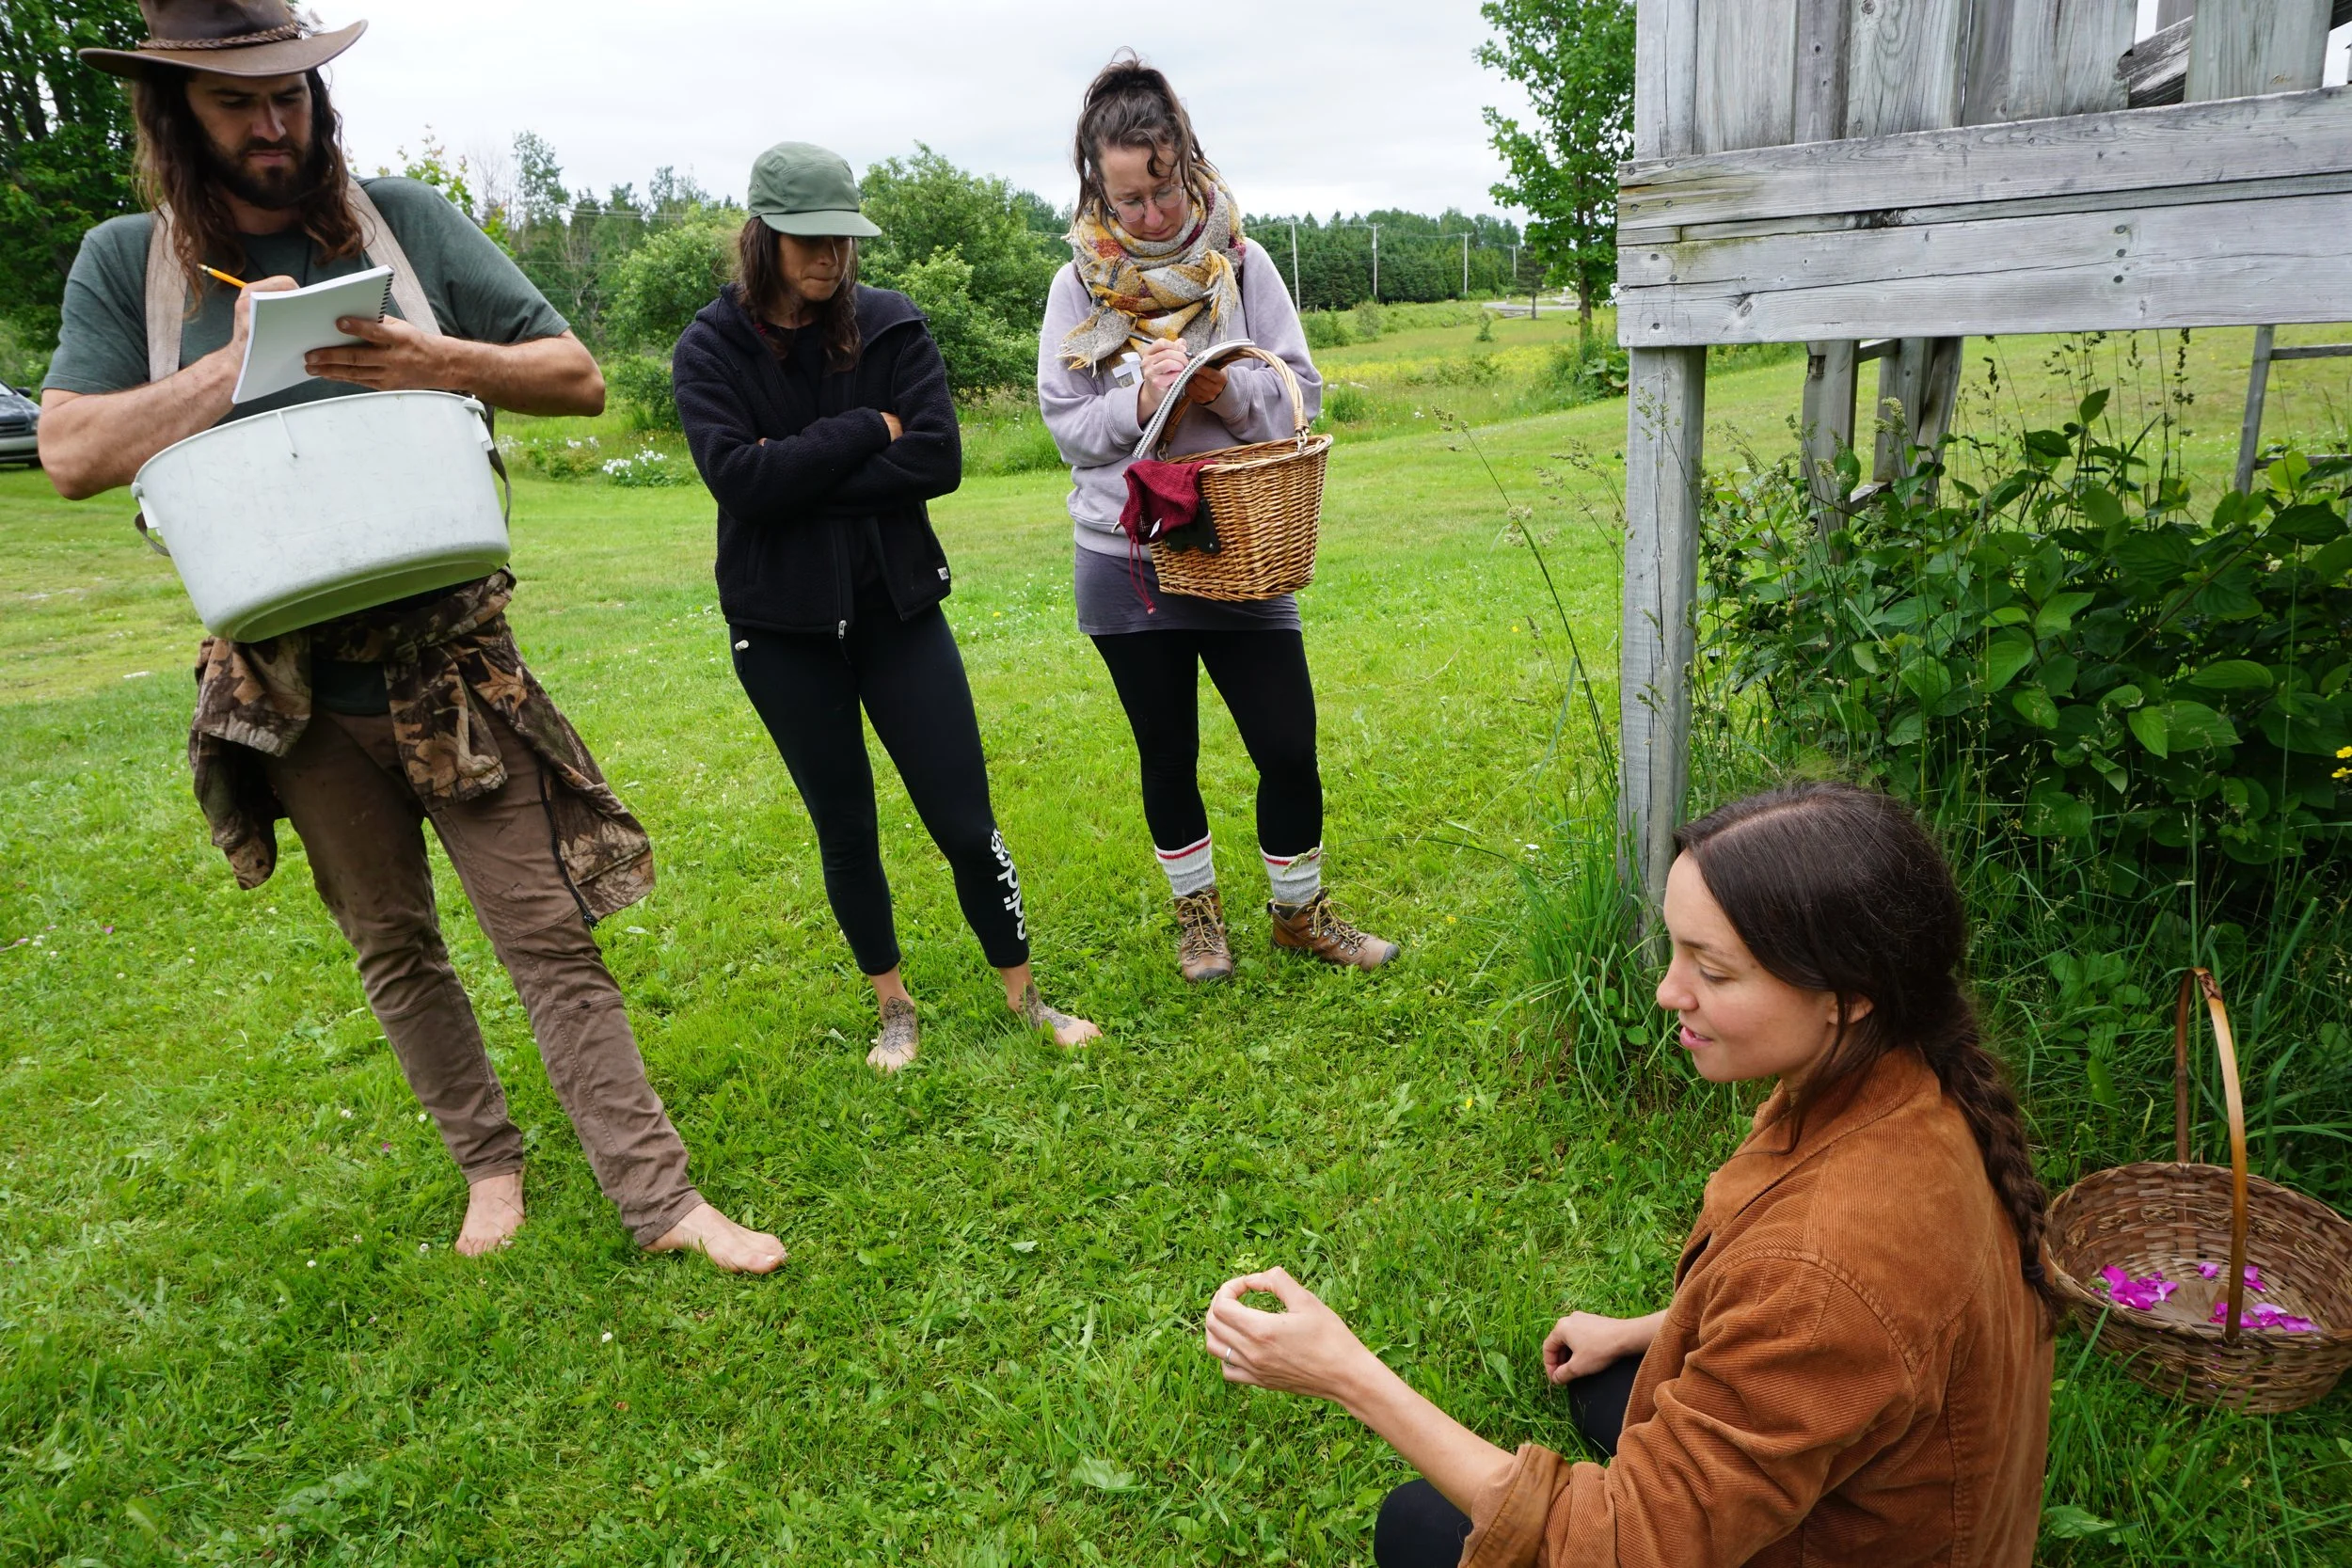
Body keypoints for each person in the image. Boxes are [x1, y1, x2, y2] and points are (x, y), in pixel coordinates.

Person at [39, 0, 784, 1274]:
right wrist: (234, 367)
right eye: (239, 101)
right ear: (175, 112)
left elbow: (576, 376)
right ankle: (489, 1166)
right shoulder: (130, 264)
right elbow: (70, 453)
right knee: (392, 939)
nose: (277, 124)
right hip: (287, 679)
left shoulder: (404, 223)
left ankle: (662, 1200)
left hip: (448, 655)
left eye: (294, 94)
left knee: (543, 926)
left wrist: (425, 356)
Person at [1202, 782, 2057, 1567]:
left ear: (1850, 992)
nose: (1666, 990)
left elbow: (1616, 1549)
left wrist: (1344, 1370)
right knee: (1614, 1383)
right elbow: (1848, 1332)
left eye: (1713, 970)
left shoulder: (1825, 1274)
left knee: (1422, 1527)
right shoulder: (1907, 1076)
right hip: (1917, 1494)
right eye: (1677, 952)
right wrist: (1655, 1325)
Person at [672, 141, 1100, 1074]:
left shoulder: (889, 325)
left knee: (962, 815)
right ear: (763, 238)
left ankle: (1026, 993)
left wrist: (793, 466)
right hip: (780, 631)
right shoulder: (709, 349)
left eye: (841, 239)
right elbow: (739, 481)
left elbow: (937, 458)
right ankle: (893, 1005)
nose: (828, 257)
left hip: (898, 612)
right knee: (846, 823)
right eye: (807, 239)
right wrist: (867, 429)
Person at [1040, 56, 1398, 985]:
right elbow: (1070, 429)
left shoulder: (1242, 261)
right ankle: (1197, 919)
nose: (1150, 218)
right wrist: (1137, 405)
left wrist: (1217, 387)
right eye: (1127, 201)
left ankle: (1299, 913)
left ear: (1188, 163)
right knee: (1167, 750)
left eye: (1162, 192)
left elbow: (1296, 398)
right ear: (1097, 187)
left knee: (1286, 745)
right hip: (1127, 556)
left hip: (1243, 546)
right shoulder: (1079, 287)